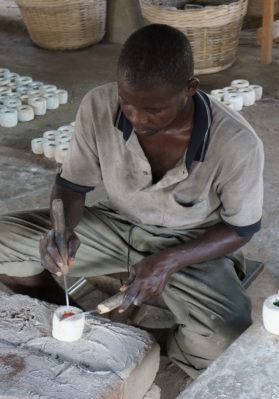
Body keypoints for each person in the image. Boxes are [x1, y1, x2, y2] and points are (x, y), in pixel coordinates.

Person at [0, 24, 264, 378]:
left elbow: (240, 229)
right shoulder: (99, 104)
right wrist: (63, 230)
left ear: (189, 88)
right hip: (119, 224)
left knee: (225, 335)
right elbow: (72, 185)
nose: (137, 119)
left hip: (190, 243)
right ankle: (75, 319)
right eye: (128, 104)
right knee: (5, 239)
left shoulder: (236, 143)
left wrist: (168, 261)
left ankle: (154, 342)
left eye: (153, 110)